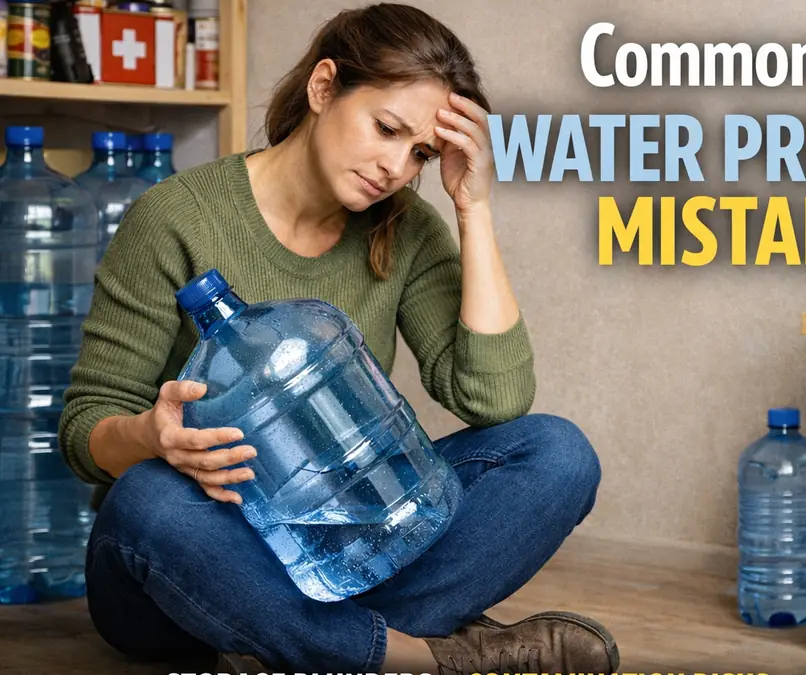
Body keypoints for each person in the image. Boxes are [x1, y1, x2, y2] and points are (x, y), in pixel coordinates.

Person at [57, 4, 617, 673]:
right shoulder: (176, 217)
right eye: (386, 128)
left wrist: (474, 207)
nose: (394, 166)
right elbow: (84, 429)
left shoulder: (406, 231)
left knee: (557, 454)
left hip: (334, 551)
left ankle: (289, 645)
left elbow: (495, 398)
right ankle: (418, 656)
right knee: (147, 502)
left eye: (420, 154)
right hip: (193, 550)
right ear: (324, 88)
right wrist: (153, 437)